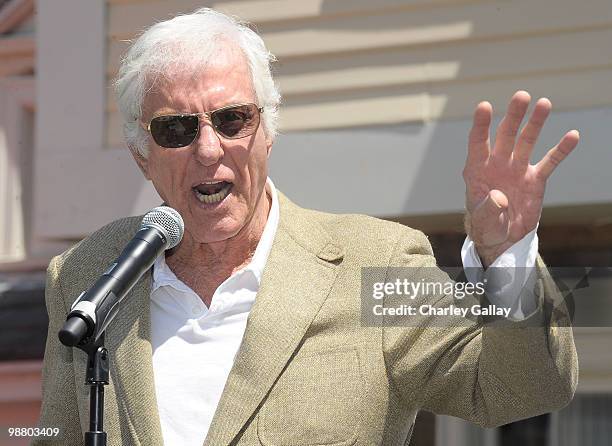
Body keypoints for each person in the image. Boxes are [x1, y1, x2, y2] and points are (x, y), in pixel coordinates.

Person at [35, 8, 579, 446]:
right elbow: (52, 436)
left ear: (268, 131)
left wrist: (507, 254)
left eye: (232, 120)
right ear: (141, 155)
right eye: (175, 128)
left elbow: (518, 390)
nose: (208, 149)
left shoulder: (369, 261)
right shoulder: (88, 273)